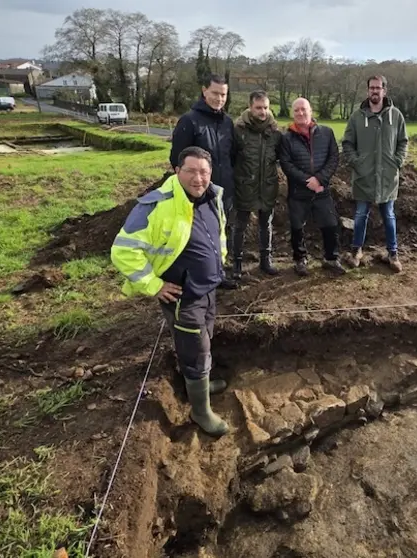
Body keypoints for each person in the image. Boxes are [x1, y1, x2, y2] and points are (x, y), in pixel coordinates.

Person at [110, 146, 230, 437]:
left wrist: (219, 263)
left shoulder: (213, 196)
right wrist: (154, 285)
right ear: (177, 171)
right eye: (191, 171)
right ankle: (200, 411)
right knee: (196, 349)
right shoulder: (156, 205)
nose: (198, 178)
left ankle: (199, 382)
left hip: (208, 289)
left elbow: (219, 233)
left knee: (204, 339)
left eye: (204, 171)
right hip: (182, 297)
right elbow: (122, 251)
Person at [169, 73, 237, 289]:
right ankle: (194, 277)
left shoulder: (227, 122)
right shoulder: (189, 121)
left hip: (222, 191)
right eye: (215, 93)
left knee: (220, 234)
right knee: (195, 236)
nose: (219, 98)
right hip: (196, 193)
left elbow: (232, 155)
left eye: (223, 94)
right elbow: (176, 159)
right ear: (204, 91)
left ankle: (218, 274)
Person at [341, 74, 409, 273]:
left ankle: (393, 254)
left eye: (378, 88)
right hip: (364, 176)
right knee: (361, 215)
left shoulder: (396, 116)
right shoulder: (357, 117)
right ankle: (356, 252)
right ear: (367, 90)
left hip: (387, 176)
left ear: (384, 91)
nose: (375, 91)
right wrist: (356, 162)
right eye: (371, 88)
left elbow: (403, 142)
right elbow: (347, 143)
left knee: (388, 215)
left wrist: (397, 162)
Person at [278, 97, 345, 277]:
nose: (300, 113)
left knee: (330, 224)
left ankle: (331, 258)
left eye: (303, 109)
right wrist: (308, 180)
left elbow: (333, 159)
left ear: (311, 111)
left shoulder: (327, 133)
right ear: (293, 114)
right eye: (296, 110)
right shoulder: (286, 138)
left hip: (321, 190)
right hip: (298, 191)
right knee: (297, 228)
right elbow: (286, 164)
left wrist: (320, 179)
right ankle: (300, 260)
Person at [232, 90, 282, 280]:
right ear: (250, 107)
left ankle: (265, 260)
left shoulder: (275, 132)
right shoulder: (239, 130)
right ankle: (236, 263)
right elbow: (232, 157)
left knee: (266, 225)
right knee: (240, 225)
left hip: (267, 186)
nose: (263, 112)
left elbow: (278, 157)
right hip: (245, 185)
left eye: (266, 107)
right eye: (258, 108)